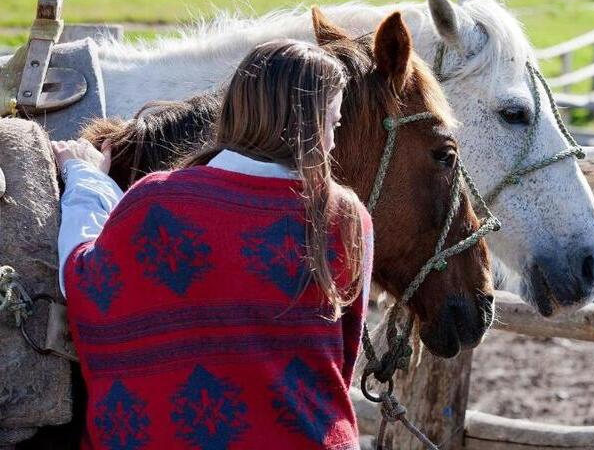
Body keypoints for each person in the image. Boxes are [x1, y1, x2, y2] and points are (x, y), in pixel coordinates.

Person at [53, 39, 373, 449]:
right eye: (332, 123)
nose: (332, 143)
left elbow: (84, 281)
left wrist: (86, 180)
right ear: (307, 124)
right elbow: (339, 363)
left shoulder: (155, 201)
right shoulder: (347, 219)